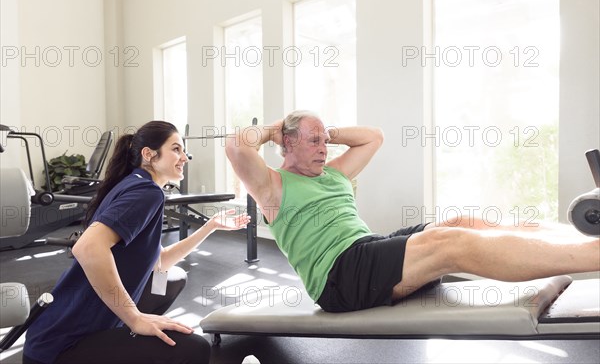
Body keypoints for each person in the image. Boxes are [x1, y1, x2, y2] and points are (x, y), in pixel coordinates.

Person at [225, 110, 600, 313]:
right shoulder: (272, 185)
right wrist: (277, 127)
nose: (324, 148)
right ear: (287, 144)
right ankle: (593, 257)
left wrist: (326, 130)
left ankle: (578, 236)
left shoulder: (335, 174)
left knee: (460, 221)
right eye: (313, 140)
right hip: (339, 277)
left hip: (365, 248)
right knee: (450, 242)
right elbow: (236, 147)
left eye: (326, 140)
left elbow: (374, 135)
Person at [24, 120, 250, 364]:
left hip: (48, 339)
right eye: (176, 149)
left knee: (173, 279)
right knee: (194, 349)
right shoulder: (147, 193)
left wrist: (210, 226)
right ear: (149, 154)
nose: (185, 157)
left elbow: (160, 261)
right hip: (60, 349)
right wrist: (134, 317)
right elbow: (87, 247)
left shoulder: (137, 183)